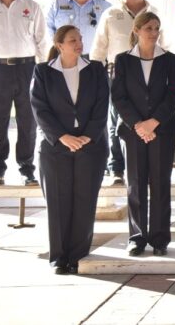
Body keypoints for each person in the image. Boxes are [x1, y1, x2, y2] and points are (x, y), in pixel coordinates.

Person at [30, 25, 109, 274]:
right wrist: (62, 136)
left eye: (80, 39)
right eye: (72, 40)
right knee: (58, 201)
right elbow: (39, 109)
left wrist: (87, 136)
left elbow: (101, 105)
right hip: (56, 146)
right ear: (60, 44)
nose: (79, 43)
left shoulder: (95, 69)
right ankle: (59, 258)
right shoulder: (43, 71)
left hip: (90, 144)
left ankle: (77, 256)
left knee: (84, 201)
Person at [112, 12, 175, 257]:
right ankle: (137, 237)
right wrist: (138, 125)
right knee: (136, 184)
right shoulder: (123, 60)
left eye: (156, 28)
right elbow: (119, 96)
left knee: (161, 184)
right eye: (149, 28)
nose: (153, 32)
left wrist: (153, 123)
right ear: (137, 29)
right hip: (133, 132)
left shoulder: (170, 59)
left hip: (162, 130)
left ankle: (160, 239)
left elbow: (173, 94)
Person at [91, 0, 166, 186]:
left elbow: (166, 44)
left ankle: (146, 166)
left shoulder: (156, 13)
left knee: (148, 119)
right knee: (117, 120)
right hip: (117, 74)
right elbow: (99, 49)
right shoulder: (111, 14)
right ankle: (116, 168)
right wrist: (96, 77)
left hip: (149, 73)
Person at [0, 0, 48, 186]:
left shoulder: (31, 7)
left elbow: (42, 40)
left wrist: (44, 70)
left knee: (28, 120)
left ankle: (27, 168)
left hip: (27, 69)